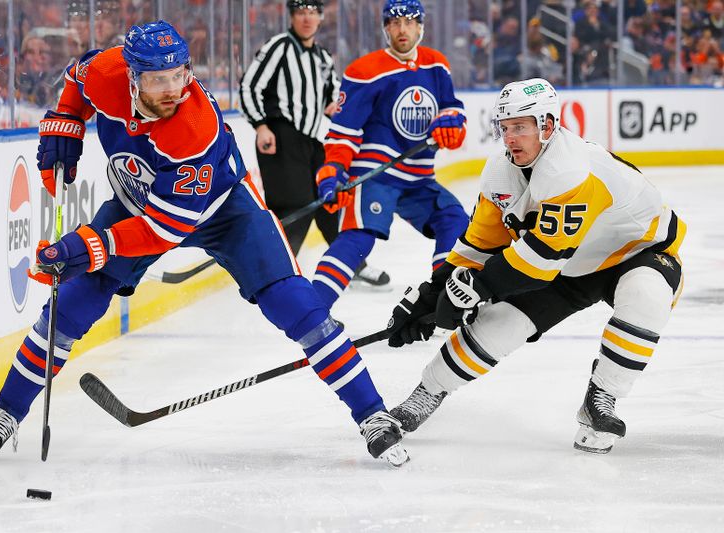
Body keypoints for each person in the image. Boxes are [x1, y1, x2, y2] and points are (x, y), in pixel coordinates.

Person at [0, 21, 407, 467]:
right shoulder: (106, 73)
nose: (173, 89)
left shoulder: (194, 127)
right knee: (74, 303)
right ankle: (6, 410)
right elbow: (78, 80)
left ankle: (373, 414)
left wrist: (91, 245)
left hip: (226, 211)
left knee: (298, 307)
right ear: (132, 76)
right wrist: (65, 120)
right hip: (135, 203)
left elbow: (162, 230)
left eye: (180, 75)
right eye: (159, 79)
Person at [386, 78, 685, 454]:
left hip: (638, 252)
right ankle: (425, 394)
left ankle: (601, 399)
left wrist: (476, 289)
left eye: (521, 127)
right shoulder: (500, 173)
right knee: (499, 324)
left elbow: (540, 258)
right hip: (571, 262)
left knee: (647, 296)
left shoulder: (568, 168)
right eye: (506, 128)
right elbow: (480, 244)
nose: (510, 138)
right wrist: (432, 293)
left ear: (547, 125)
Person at [310, 0, 470, 310]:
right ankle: (313, 309)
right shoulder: (364, 71)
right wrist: (333, 169)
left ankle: (439, 303)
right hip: (375, 176)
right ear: (386, 28)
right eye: (395, 23)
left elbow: (452, 108)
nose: (402, 29)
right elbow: (344, 133)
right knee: (358, 238)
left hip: (419, 179)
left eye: (409, 22)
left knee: (455, 221)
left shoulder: (436, 65)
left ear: (420, 27)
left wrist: (452, 125)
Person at [239, 0, 391, 289]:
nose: (306, 18)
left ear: (320, 18)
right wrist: (261, 126)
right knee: (293, 205)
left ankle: (353, 263)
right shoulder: (279, 47)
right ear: (292, 16)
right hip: (280, 136)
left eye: (312, 13)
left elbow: (333, 99)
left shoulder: (321, 56)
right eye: (300, 12)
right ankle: (277, 272)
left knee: (329, 198)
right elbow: (249, 86)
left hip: (309, 140)